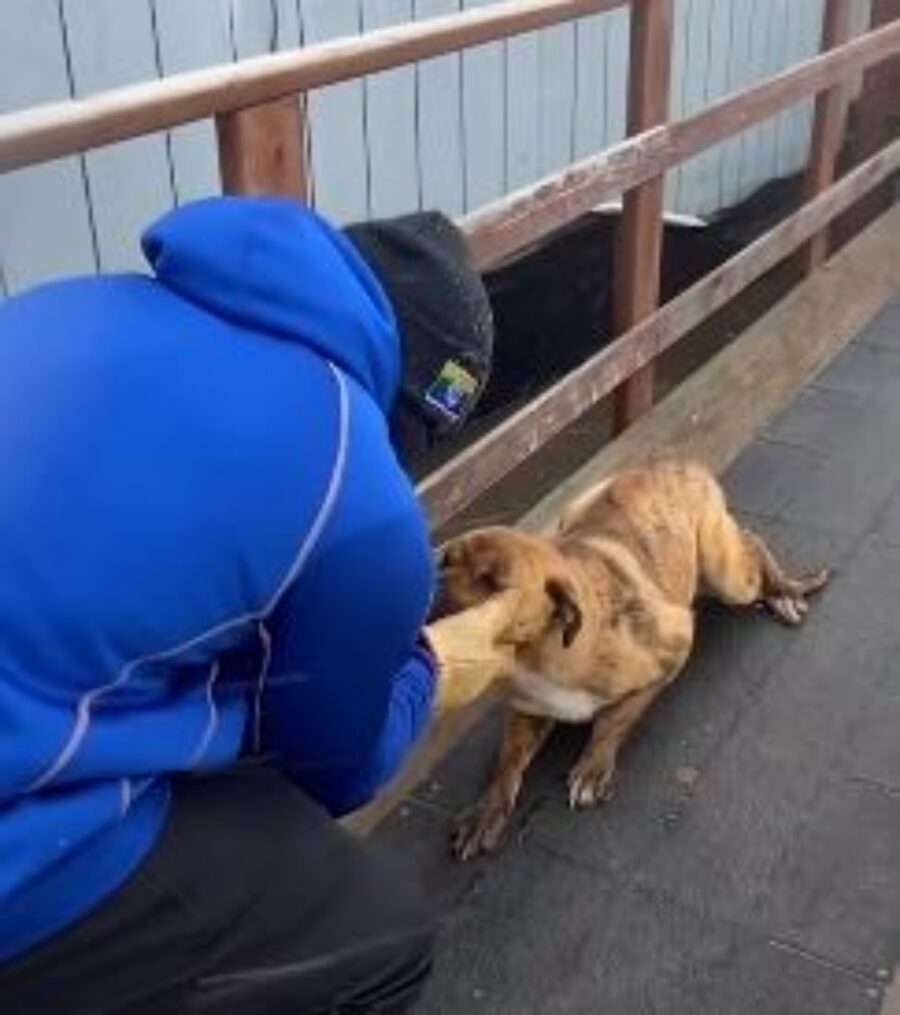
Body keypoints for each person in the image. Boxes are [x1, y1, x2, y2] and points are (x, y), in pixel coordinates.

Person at [0, 195, 493, 1013]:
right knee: (384, 935)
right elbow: (336, 769)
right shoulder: (360, 489)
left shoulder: (86, 298)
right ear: (417, 408)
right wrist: (424, 668)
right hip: (21, 848)